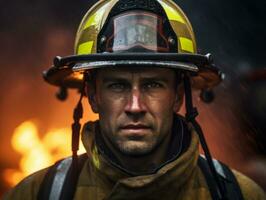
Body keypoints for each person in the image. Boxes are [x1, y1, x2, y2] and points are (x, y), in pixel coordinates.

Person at [4, 0, 265, 199]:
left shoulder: (238, 194)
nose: (135, 106)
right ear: (93, 96)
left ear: (177, 96)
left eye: (153, 84)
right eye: (118, 86)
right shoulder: (38, 193)